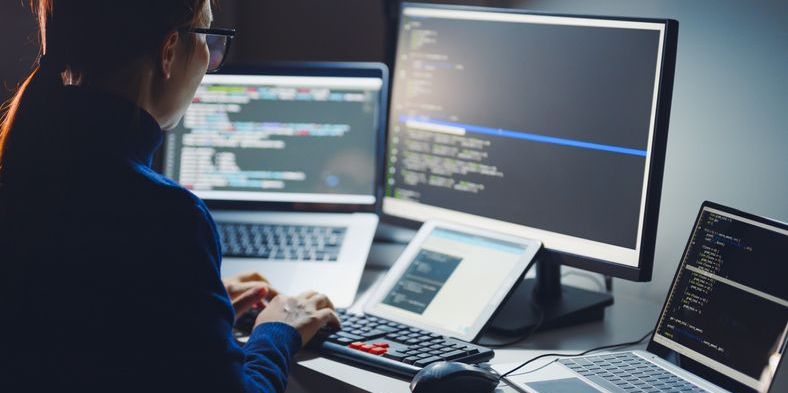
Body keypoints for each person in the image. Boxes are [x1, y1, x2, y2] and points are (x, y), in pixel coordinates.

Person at [0, 1, 340, 392]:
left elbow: (84, 334)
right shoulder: (166, 216)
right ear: (168, 51)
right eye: (207, 38)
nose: (210, 62)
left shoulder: (24, 170)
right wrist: (278, 330)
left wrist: (193, 307)